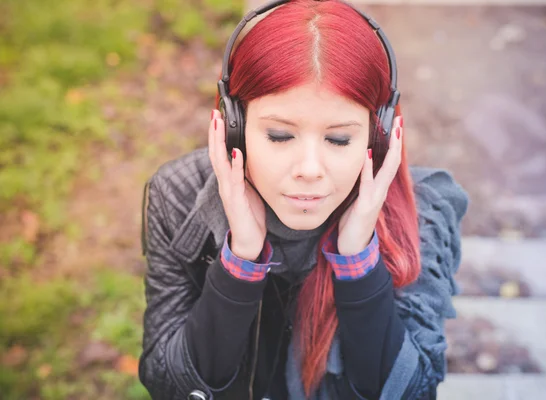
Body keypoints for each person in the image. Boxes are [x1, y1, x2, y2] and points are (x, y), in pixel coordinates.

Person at [138, 0, 469, 399]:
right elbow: (168, 384)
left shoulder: (421, 211)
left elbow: (411, 391)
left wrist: (359, 259)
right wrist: (240, 259)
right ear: (233, 128)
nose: (309, 169)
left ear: (378, 135)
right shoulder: (179, 196)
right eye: (279, 136)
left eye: (338, 139)